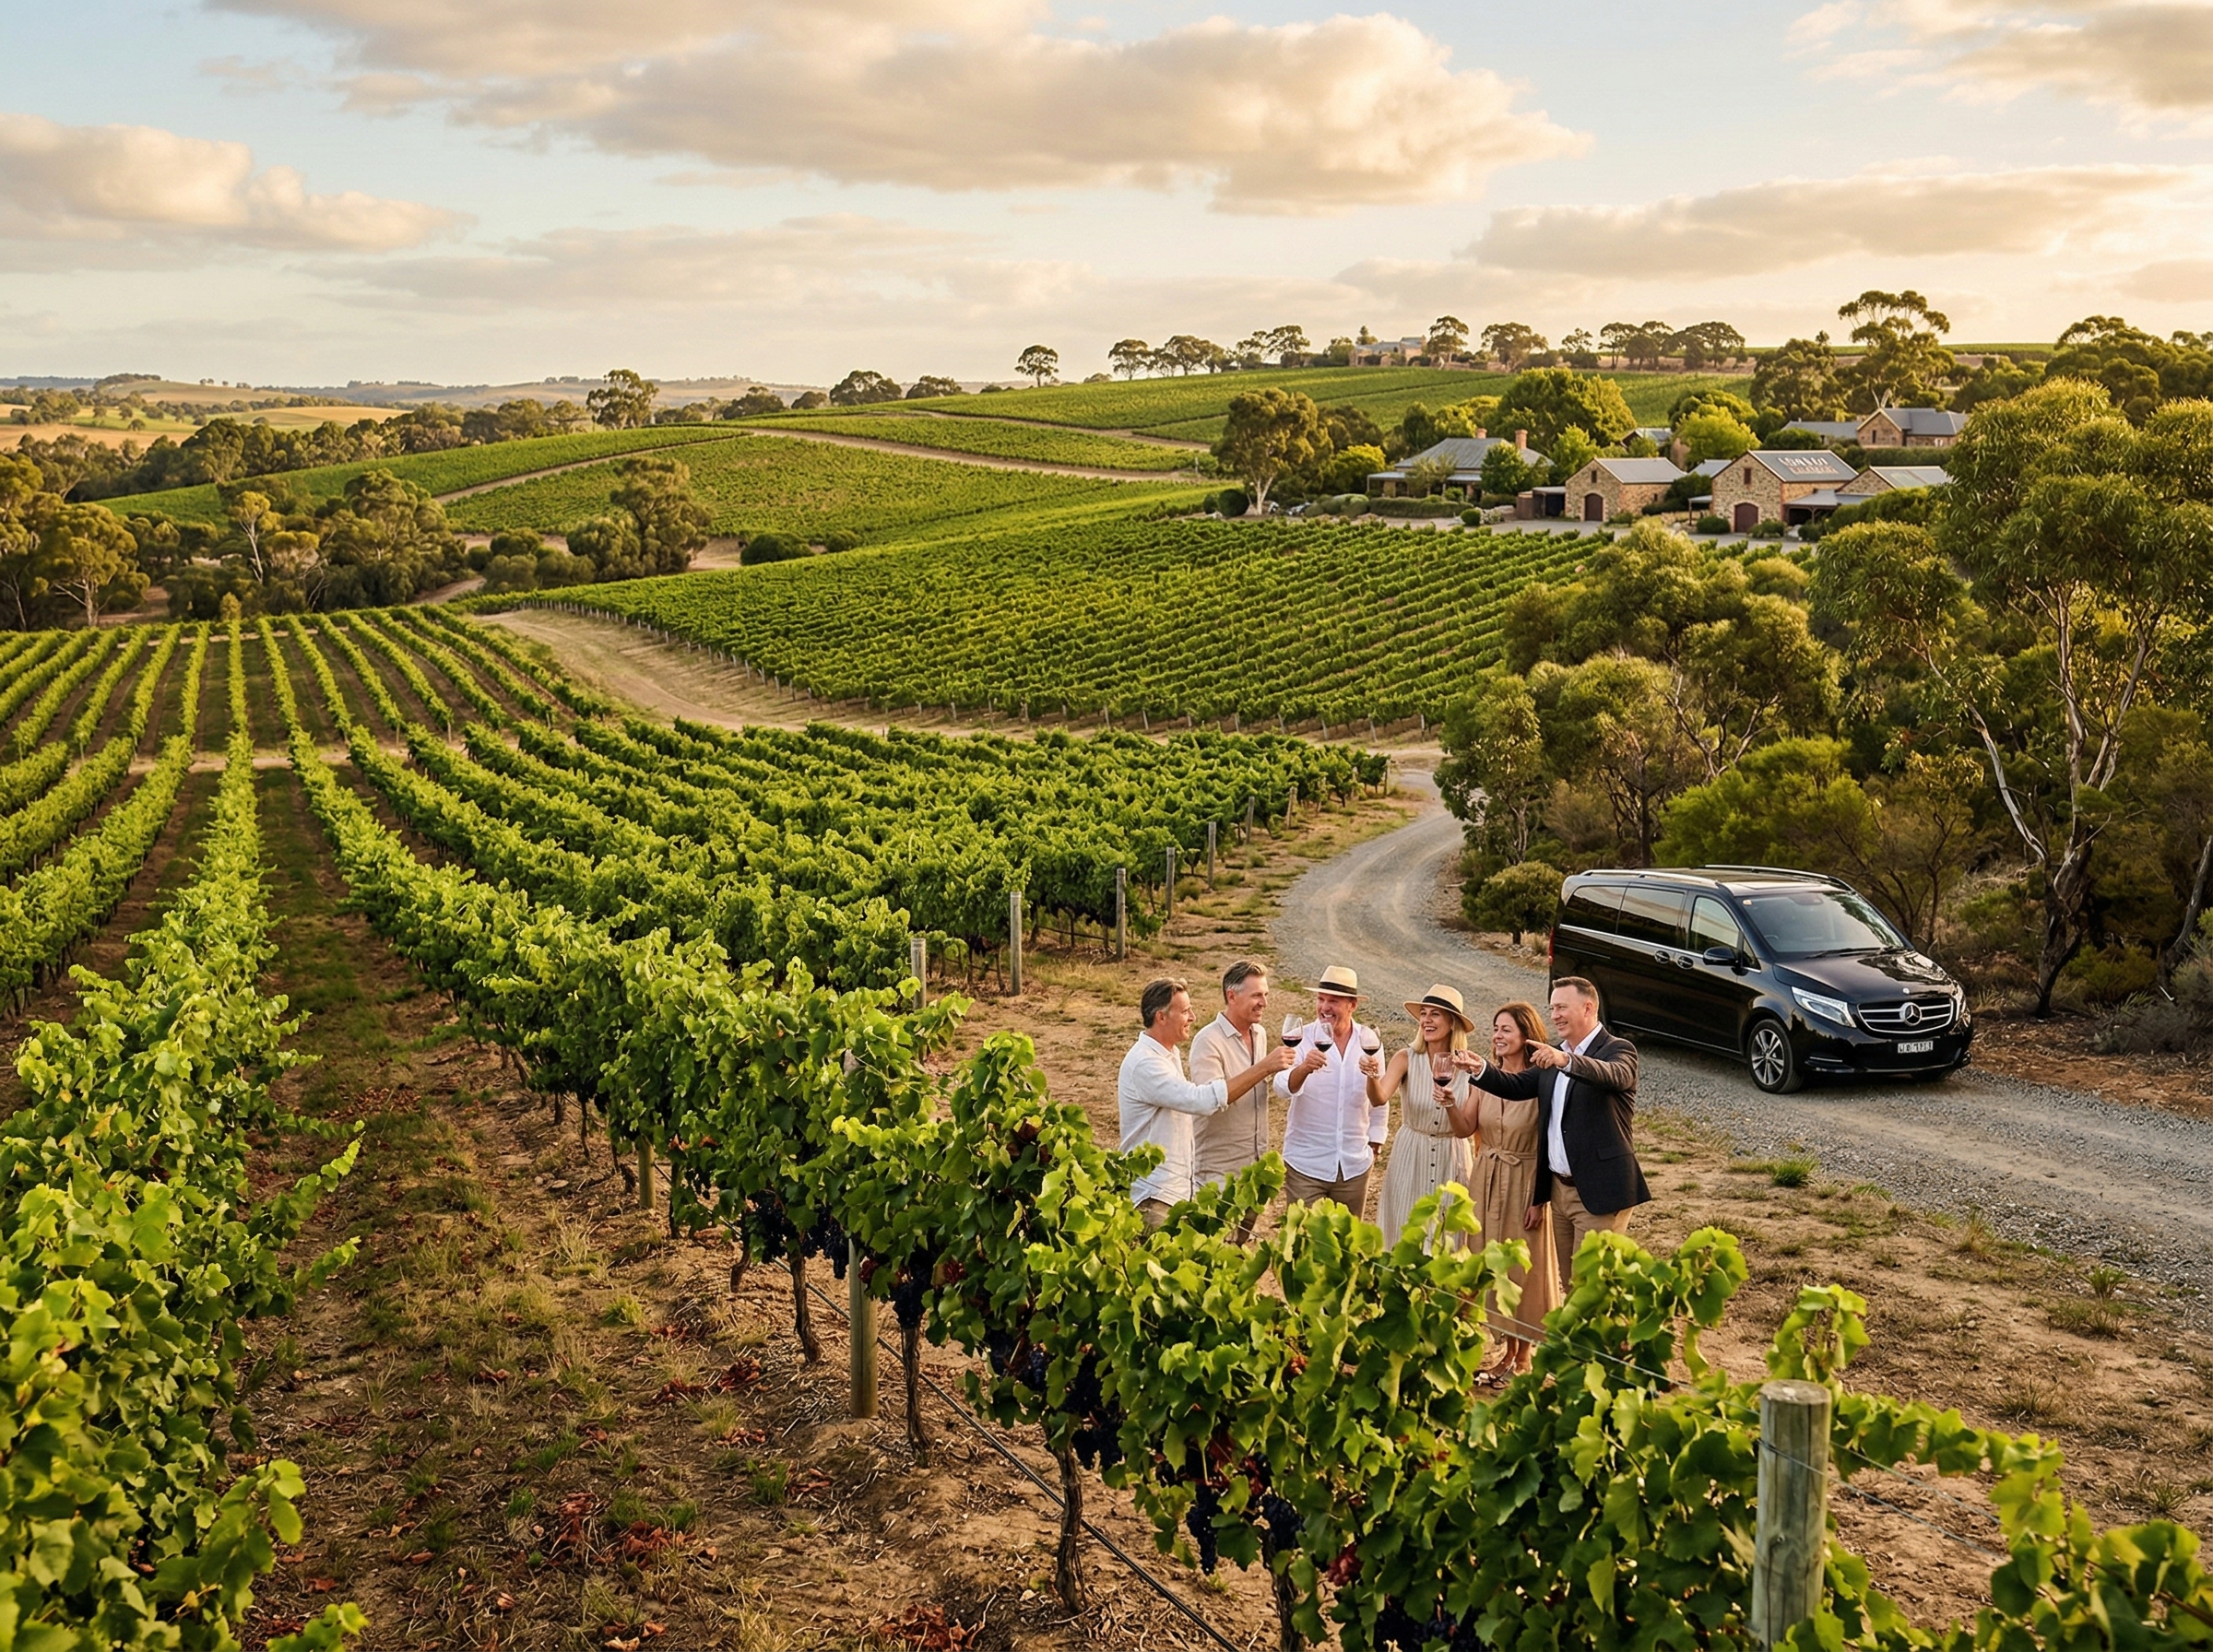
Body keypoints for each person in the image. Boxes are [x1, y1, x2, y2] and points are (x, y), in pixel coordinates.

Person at [1456, 976, 1649, 1296]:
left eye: (1561, 1007)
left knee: (1595, 1289)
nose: (1555, 1015)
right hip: (1560, 1191)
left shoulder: (1618, 1050)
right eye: (1552, 1008)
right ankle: (1579, 1347)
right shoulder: (1554, 1053)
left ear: (1588, 1008)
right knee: (1571, 1284)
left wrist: (1566, 1061)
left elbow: (1615, 1076)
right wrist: (1480, 1069)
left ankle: (1614, 1346)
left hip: (1599, 1192)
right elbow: (1516, 1087)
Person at [1119, 976, 1293, 1230]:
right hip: (1154, 1197)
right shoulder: (1146, 1064)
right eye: (1185, 1011)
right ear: (1161, 1017)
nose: (1192, 1017)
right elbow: (1201, 1101)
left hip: (1173, 1192)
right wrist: (1264, 1067)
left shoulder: (1167, 1054)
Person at [1447, 1002, 1557, 1380]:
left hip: (1525, 1178)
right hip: (1487, 1177)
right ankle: (1506, 1352)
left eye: (1506, 1029)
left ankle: (1524, 1356)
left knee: (1524, 1268)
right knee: (1491, 1263)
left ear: (1527, 1036)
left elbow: (1547, 1142)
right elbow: (1465, 1128)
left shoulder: (1541, 1081)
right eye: (1495, 1029)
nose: (1497, 1036)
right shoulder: (1486, 1079)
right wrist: (1448, 1103)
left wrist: (1541, 1198)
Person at [1369, 984, 1476, 1250]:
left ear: (1452, 1023)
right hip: (1411, 1153)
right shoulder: (1406, 1058)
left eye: (1434, 1015)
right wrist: (1370, 1076)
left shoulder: (1469, 1066)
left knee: (1450, 1239)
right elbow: (1379, 1097)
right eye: (1424, 1014)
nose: (1426, 1020)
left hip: (1452, 1157)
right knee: (1405, 1235)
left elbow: (1470, 1126)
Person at [1275, 965, 1386, 1212]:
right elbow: (1281, 1087)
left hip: (1354, 1166)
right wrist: (1303, 1068)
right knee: (1304, 1243)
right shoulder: (1300, 1037)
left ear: (1352, 1005)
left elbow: (1380, 1094)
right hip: (1306, 1164)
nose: (1324, 1007)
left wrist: (1376, 1137)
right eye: (1321, 999)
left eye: (1333, 1001)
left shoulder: (1369, 1041)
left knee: (1347, 1245)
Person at [1190, 961, 1276, 1235]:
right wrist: (1264, 1067)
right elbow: (1212, 1100)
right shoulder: (1207, 1041)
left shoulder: (1259, 1033)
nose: (1264, 1002)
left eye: (1265, 994)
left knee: (1239, 1250)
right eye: (1256, 995)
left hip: (1254, 1169)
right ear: (1231, 996)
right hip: (1218, 1171)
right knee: (1213, 1255)